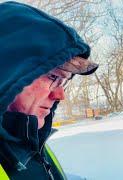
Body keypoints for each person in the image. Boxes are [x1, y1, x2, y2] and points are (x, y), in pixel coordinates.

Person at [0, 1, 98, 179]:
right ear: (8, 73)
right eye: (53, 77)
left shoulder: (33, 140)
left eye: (63, 82)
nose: (60, 95)